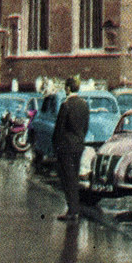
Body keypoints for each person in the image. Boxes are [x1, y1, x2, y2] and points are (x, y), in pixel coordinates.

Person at [52, 76, 89, 222]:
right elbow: (85, 127)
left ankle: (72, 210)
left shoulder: (66, 105)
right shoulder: (84, 104)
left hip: (66, 146)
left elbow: (59, 128)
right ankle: (75, 209)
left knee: (68, 178)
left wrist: (55, 145)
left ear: (67, 88)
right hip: (78, 145)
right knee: (74, 176)